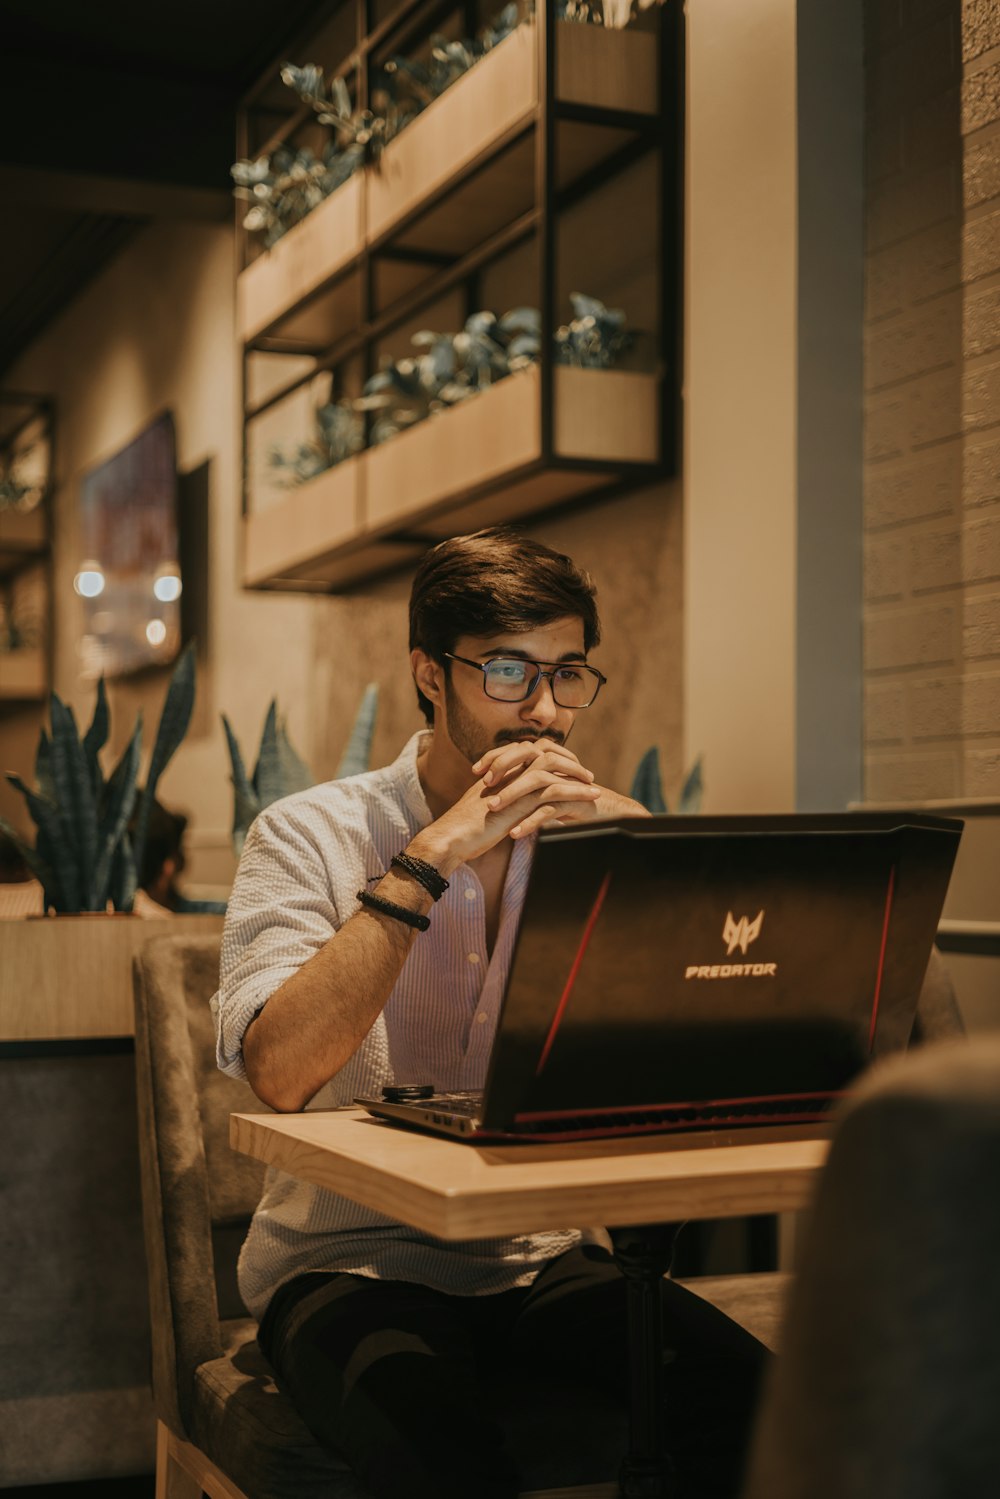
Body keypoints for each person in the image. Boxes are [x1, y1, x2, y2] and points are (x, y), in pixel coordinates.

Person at [213, 527, 768, 1499]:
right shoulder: (308, 832)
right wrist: (433, 855)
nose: (546, 710)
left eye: (566, 672)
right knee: (439, 1458)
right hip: (349, 1263)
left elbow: (681, 1068)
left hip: (544, 1255)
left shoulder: (605, 839)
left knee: (760, 1403)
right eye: (507, 672)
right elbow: (280, 1071)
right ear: (431, 673)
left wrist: (661, 897)